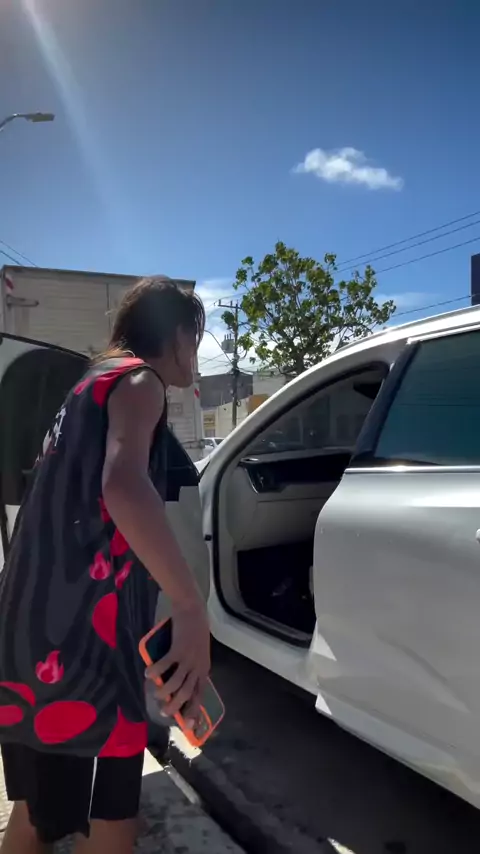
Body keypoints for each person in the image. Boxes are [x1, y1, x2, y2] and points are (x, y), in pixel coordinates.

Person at [0, 276, 211, 854]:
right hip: (83, 659)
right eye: (195, 340)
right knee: (112, 819)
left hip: (29, 641)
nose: (195, 355)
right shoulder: (140, 381)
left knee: (35, 816)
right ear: (175, 335)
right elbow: (123, 485)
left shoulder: (86, 387)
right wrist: (189, 606)